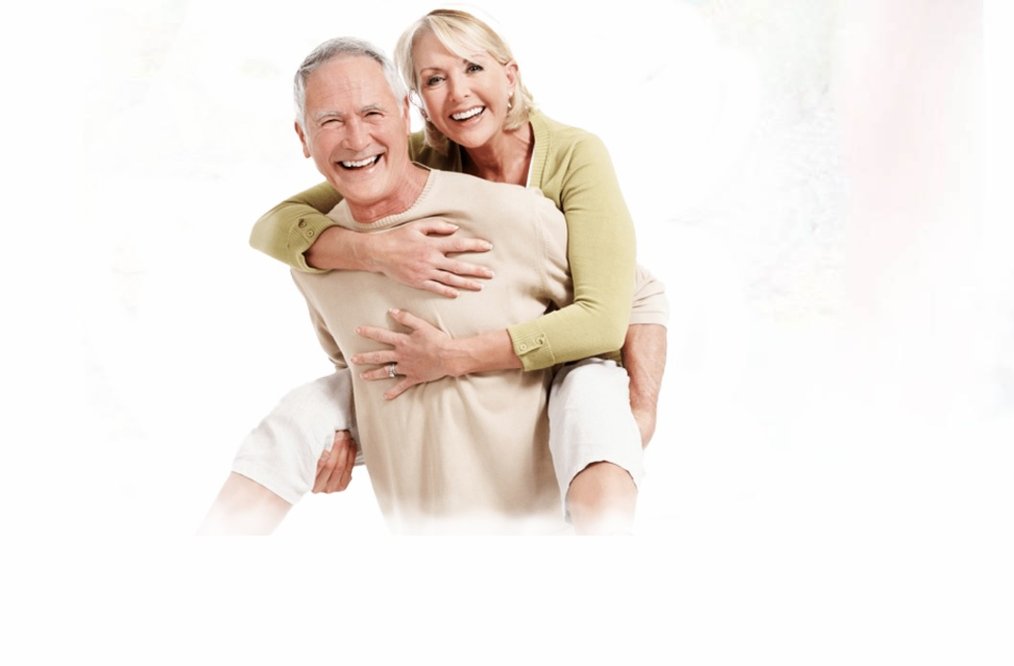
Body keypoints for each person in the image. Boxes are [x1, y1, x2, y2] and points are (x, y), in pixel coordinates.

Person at [199, 10, 665, 534]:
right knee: (304, 413)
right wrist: (376, 252)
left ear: (510, 76)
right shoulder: (418, 153)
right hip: (420, 374)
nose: (458, 93)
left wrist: (642, 409)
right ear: (417, 103)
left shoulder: (568, 163)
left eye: (473, 68)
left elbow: (628, 300)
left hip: (570, 358)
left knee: (591, 405)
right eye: (434, 79)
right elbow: (275, 225)